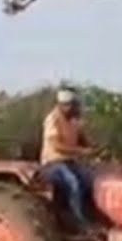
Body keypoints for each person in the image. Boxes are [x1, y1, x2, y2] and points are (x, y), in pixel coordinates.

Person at [40, 88, 97, 230]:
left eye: (74, 105)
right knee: (73, 183)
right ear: (61, 105)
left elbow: (83, 140)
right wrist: (81, 151)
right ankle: (77, 222)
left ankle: (93, 217)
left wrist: (94, 149)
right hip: (52, 163)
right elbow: (57, 146)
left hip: (69, 162)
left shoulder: (74, 120)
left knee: (90, 181)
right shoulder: (52, 119)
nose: (72, 108)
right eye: (68, 105)